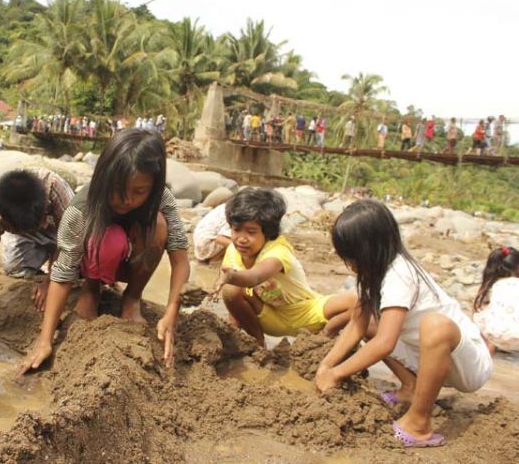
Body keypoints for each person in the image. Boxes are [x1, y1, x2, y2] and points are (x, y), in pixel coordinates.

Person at [315, 200, 493, 448]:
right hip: (427, 355)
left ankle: (419, 424)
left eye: (352, 256)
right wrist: (326, 366)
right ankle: (411, 388)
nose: (349, 264)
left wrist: (337, 373)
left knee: (434, 325)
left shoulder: (399, 274)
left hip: (467, 364)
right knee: (371, 324)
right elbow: (358, 324)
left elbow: (386, 343)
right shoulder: (372, 274)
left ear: (370, 250)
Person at [19, 129, 190, 374]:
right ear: (103, 178)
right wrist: (44, 340)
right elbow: (63, 271)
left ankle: (131, 299)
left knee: (159, 226)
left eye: (139, 192)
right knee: (106, 238)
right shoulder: (80, 208)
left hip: (135, 261)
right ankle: (92, 289)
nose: (126, 200)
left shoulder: (163, 199)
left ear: (154, 186)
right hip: (94, 260)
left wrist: (172, 309)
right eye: (118, 189)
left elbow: (181, 260)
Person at [215, 188, 357, 347]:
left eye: (251, 232)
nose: (242, 239)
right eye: (236, 230)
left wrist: (231, 277)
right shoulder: (232, 251)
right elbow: (235, 303)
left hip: (306, 313)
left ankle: (322, 338)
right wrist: (230, 335)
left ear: (268, 232)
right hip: (269, 316)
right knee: (231, 289)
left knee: (357, 300)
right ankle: (257, 345)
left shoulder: (278, 250)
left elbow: (255, 276)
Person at [0, 169, 73, 344]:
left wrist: (51, 279)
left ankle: (52, 258)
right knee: (13, 267)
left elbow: (70, 241)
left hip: (64, 229)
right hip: (30, 235)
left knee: (76, 261)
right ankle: (42, 254)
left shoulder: (55, 189)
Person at [473, 246, 519, 354]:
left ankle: (486, 354)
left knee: (487, 314)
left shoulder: (490, 286)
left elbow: (477, 309)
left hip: (494, 336)